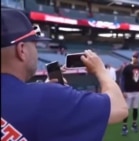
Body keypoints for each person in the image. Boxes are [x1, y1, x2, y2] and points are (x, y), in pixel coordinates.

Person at [1, 8, 128, 141]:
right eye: (34, 44)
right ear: (21, 50)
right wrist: (101, 70)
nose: (36, 50)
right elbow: (119, 108)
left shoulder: (43, 97)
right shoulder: (48, 97)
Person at [120, 51, 139, 136]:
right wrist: (123, 90)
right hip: (128, 91)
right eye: (134, 56)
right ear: (132, 57)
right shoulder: (127, 67)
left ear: (138, 58)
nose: (135, 58)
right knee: (127, 110)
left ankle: (134, 124)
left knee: (135, 108)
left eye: (136, 57)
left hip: (137, 91)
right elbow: (122, 79)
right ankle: (124, 126)